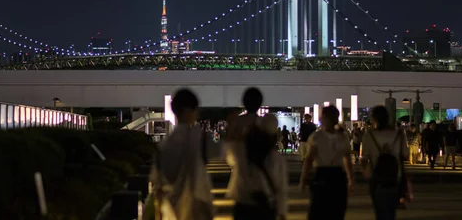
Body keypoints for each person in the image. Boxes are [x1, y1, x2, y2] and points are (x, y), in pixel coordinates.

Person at [150, 88, 219, 220]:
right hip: (197, 208)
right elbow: (224, 152)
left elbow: (158, 186)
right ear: (189, 110)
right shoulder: (200, 138)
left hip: (172, 211)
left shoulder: (162, 146)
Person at [226, 87, 288, 220]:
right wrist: (282, 210)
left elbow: (227, 152)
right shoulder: (274, 156)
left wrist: (231, 129)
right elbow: (281, 185)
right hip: (265, 205)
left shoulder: (240, 151)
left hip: (243, 204)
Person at [299, 105, 354, 220]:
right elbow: (347, 159)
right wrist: (350, 179)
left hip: (321, 175)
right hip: (338, 176)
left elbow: (309, 160)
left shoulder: (317, 137)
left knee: (318, 211)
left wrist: (303, 180)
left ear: (324, 118)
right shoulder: (342, 137)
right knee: (337, 211)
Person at [362, 106, 409, 220]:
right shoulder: (399, 134)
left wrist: (365, 171)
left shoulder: (369, 135)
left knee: (380, 213)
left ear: (374, 119)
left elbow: (364, 158)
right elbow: (405, 155)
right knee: (391, 213)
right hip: (395, 177)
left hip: (376, 178)